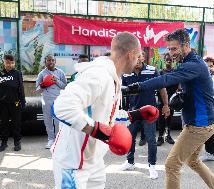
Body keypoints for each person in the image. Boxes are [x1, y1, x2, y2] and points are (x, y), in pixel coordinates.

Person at [51, 32, 159, 189]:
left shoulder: (114, 77)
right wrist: (100, 132)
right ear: (131, 54)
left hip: (94, 160)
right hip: (73, 162)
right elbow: (61, 106)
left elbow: (107, 116)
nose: (138, 61)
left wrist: (137, 114)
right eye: (138, 56)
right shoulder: (98, 74)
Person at [123, 29, 214, 189]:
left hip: (199, 126)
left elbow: (166, 78)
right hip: (202, 123)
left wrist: (136, 87)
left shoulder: (193, 65)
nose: (170, 53)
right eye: (168, 48)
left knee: (171, 165)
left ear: (186, 46)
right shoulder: (191, 61)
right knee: (193, 161)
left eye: (174, 48)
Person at [120, 51, 170, 179]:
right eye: (134, 57)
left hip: (149, 112)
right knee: (129, 138)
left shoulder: (152, 71)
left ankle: (152, 166)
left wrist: (165, 105)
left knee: (151, 139)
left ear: (142, 57)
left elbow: (162, 89)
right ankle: (130, 162)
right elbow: (120, 92)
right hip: (133, 112)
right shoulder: (126, 72)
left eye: (139, 57)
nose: (137, 60)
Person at [35, 54, 67, 149]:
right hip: (46, 99)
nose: (51, 62)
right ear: (45, 62)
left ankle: (58, 139)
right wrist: (43, 85)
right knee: (48, 120)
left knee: (58, 121)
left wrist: (56, 80)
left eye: (52, 60)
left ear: (55, 61)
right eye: (49, 60)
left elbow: (65, 86)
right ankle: (50, 139)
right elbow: (37, 89)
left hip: (58, 99)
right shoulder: (41, 74)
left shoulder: (60, 73)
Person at [0, 54, 25, 152]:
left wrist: (23, 102)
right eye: (7, 63)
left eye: (11, 63)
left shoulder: (17, 73)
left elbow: (21, 89)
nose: (9, 65)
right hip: (3, 105)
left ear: (14, 63)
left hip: (16, 103)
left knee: (16, 124)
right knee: (4, 124)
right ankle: (4, 143)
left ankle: (17, 142)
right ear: (4, 63)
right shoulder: (1, 73)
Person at [156, 52, 179, 146]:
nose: (168, 61)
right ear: (164, 61)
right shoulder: (160, 72)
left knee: (170, 118)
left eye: (170, 60)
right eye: (167, 60)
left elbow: (178, 84)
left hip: (172, 99)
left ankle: (168, 135)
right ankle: (160, 137)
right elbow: (158, 85)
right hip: (162, 99)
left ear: (173, 61)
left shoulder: (175, 72)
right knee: (161, 118)